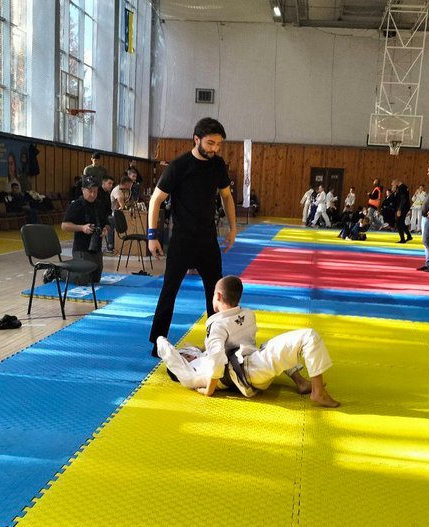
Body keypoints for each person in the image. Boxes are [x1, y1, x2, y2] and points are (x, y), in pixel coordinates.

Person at [155, 276, 340, 407]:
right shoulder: (247, 315)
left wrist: (208, 387)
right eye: (186, 356)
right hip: (249, 369)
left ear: (218, 296)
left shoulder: (218, 325)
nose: (188, 355)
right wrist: (209, 389)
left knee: (270, 344)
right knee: (309, 336)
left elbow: (213, 355)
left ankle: (302, 383)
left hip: (252, 365)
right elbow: (212, 360)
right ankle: (318, 392)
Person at [146, 117, 236, 354]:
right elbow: (156, 200)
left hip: (207, 238)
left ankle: (216, 341)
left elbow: (227, 197)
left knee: (216, 292)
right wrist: (152, 236)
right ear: (197, 139)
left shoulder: (218, 165)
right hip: (182, 238)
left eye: (218, 144)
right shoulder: (179, 166)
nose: (215, 149)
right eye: (210, 143)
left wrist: (233, 228)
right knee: (169, 290)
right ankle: (158, 342)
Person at [57, 175, 110, 285]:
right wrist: (82, 228)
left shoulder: (99, 205)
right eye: (90, 191)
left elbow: (107, 223)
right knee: (83, 279)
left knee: (95, 279)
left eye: (95, 192)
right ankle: (57, 272)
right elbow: (64, 226)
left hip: (96, 248)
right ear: (83, 190)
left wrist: (105, 229)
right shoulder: (76, 205)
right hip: (81, 248)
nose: (93, 195)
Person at [392, 178, 412, 243]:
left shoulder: (402, 187)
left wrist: (400, 209)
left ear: (396, 182)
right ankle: (409, 236)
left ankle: (402, 239)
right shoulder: (401, 187)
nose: (392, 184)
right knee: (401, 222)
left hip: (403, 207)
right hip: (403, 207)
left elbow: (403, 199)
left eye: (393, 183)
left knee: (399, 222)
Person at [98, 175, 114, 252]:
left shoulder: (107, 193)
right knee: (111, 221)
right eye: (109, 183)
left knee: (114, 220)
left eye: (112, 184)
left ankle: (114, 243)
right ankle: (110, 244)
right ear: (103, 183)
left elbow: (108, 208)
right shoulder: (97, 191)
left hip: (105, 215)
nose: (111, 186)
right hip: (98, 216)